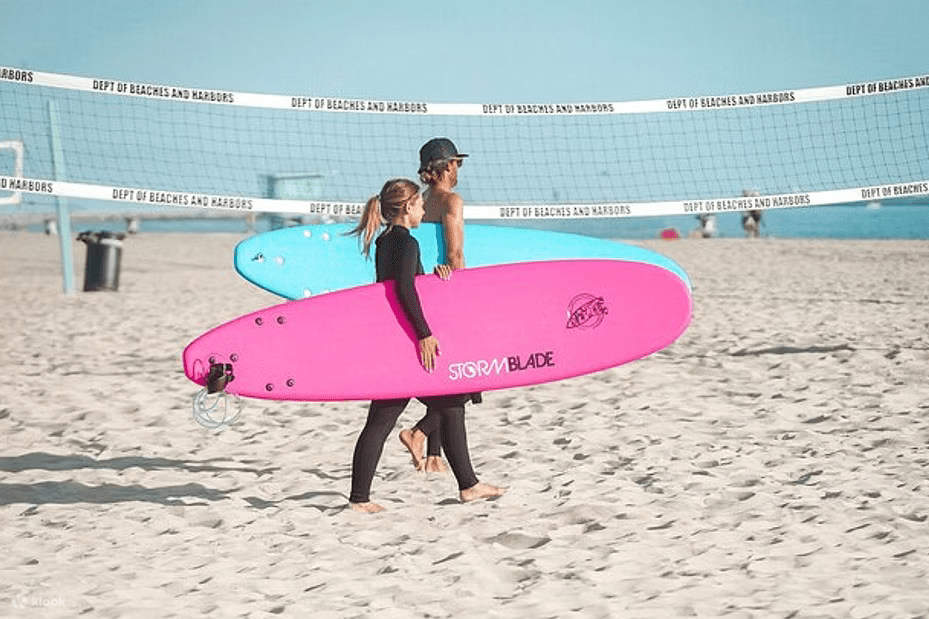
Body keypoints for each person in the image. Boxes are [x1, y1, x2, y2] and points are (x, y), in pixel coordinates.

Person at [347, 178, 504, 513]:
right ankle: (466, 484)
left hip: (393, 338)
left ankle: (465, 484)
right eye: (419, 205)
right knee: (442, 406)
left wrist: (435, 280)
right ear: (407, 207)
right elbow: (404, 290)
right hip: (408, 343)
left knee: (431, 409)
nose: (423, 210)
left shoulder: (386, 240)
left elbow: (400, 286)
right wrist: (424, 334)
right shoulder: (407, 243)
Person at [397, 138, 476, 474]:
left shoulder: (421, 202)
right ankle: (419, 432)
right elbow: (454, 252)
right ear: (445, 166)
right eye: (456, 163)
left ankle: (434, 455)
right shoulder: (451, 201)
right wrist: (464, 291)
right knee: (465, 377)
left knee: (443, 373)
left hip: (425, 288)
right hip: (448, 289)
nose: (458, 169)